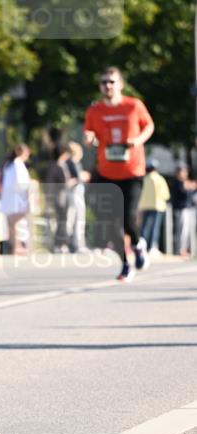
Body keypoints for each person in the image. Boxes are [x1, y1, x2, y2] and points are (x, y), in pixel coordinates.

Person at [82, 66, 154, 281]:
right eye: (104, 82)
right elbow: (88, 133)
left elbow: (149, 126)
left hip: (132, 171)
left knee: (128, 218)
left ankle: (138, 244)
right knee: (110, 222)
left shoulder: (133, 105)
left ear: (120, 84)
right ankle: (125, 264)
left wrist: (137, 140)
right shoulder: (94, 111)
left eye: (112, 82)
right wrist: (88, 138)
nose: (108, 86)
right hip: (106, 173)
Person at [0, 144, 32, 254]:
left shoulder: (9, 164)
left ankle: (14, 246)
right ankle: (16, 246)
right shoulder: (17, 164)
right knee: (16, 223)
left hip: (10, 198)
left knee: (12, 224)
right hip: (16, 199)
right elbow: (21, 182)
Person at [139, 159, 170, 254]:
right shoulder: (160, 179)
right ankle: (152, 247)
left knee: (144, 227)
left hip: (144, 205)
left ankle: (142, 246)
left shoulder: (143, 179)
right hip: (157, 206)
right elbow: (166, 195)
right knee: (154, 227)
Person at [171, 163, 197, 258]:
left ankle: (185, 249)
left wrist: (190, 186)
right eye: (183, 171)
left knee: (187, 231)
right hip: (181, 209)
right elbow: (184, 193)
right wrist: (190, 187)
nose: (185, 173)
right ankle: (180, 250)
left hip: (188, 209)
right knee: (181, 231)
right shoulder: (177, 182)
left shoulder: (184, 182)